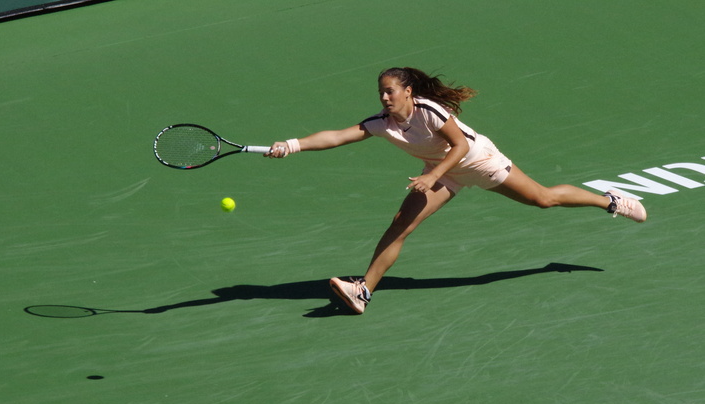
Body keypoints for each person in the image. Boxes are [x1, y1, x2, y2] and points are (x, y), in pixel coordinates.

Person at [266, 67, 646, 314]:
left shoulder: (429, 111)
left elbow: (461, 147)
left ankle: (609, 201)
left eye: (390, 92)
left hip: (479, 160)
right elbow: (336, 136)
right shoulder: (383, 123)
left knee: (543, 199)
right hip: (441, 172)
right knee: (400, 225)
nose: (384, 98)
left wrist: (432, 177)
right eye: (380, 92)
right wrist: (291, 144)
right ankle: (363, 290)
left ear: (408, 91)